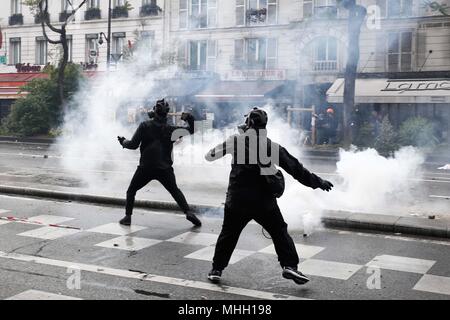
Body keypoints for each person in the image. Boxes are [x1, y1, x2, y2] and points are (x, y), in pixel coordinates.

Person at [204, 107, 334, 285]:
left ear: (248, 122)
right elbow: (296, 169)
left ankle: (216, 269)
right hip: (263, 201)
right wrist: (319, 182)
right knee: (279, 231)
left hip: (237, 200)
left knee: (229, 234)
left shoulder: (236, 141)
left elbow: (209, 156)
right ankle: (290, 266)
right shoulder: (271, 146)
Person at [117, 99, 201, 227]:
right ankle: (188, 212)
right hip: (165, 168)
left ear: (154, 112)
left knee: (131, 191)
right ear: (166, 114)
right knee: (175, 191)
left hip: (146, 167)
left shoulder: (144, 126)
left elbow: (133, 145)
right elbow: (192, 130)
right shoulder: (171, 130)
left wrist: (123, 142)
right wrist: (189, 118)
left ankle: (128, 217)